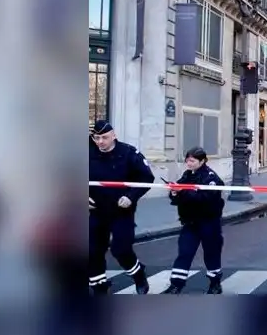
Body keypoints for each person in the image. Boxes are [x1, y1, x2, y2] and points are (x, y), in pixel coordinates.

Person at [88, 119, 155, 294]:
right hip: (95, 211)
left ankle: (139, 274)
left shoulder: (129, 153)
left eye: (104, 137)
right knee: (92, 251)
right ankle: (99, 287)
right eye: (96, 138)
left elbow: (147, 178)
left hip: (121, 211)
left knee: (121, 249)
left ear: (114, 135)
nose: (100, 142)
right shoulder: (88, 152)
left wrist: (130, 196)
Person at [162, 147, 226, 294]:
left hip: (209, 223)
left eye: (192, 160)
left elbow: (205, 199)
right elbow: (179, 195)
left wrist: (182, 192)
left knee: (211, 253)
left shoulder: (211, 178)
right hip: (190, 223)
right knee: (184, 252)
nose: (188, 163)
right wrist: (174, 192)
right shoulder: (187, 174)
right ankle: (176, 285)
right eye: (187, 160)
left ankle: (215, 284)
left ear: (202, 161)